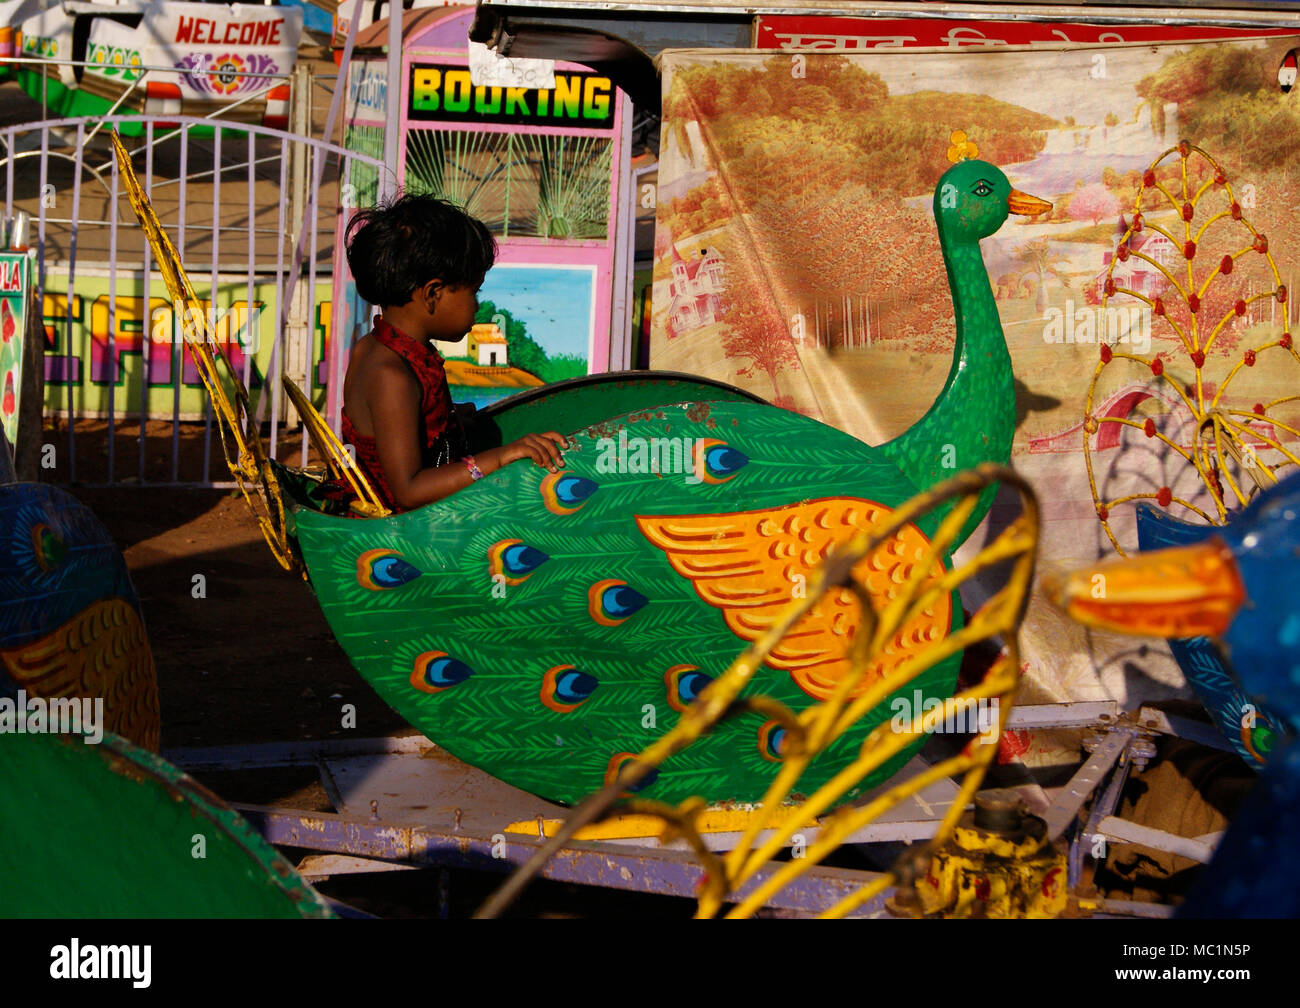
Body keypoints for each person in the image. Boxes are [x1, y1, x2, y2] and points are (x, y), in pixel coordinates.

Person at [339, 194, 567, 513]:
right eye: (473, 291)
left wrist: (451, 421)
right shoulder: (392, 376)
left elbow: (396, 429)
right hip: (402, 539)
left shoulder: (381, 347)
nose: (476, 305)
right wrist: (500, 457)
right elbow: (409, 490)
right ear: (432, 294)